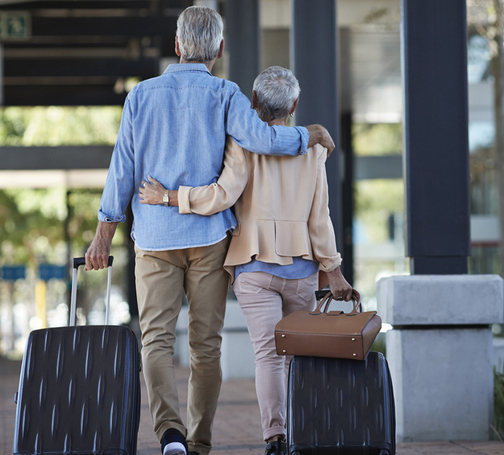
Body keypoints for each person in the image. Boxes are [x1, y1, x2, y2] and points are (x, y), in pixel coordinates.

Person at [83, 7, 336, 455]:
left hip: (156, 239)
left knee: (156, 340)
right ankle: (199, 443)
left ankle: (171, 435)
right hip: (209, 240)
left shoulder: (140, 96)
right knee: (205, 345)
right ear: (219, 50)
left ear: (177, 46)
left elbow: (121, 169)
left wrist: (103, 235)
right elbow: (262, 139)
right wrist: (308, 135)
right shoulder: (226, 93)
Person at [139, 66, 353, 455]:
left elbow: (221, 196)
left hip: (254, 266)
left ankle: (275, 437)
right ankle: (298, 433)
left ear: (252, 102)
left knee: (268, 355)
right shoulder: (313, 149)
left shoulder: (242, 144)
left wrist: (171, 197)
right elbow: (319, 218)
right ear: (295, 106)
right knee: (295, 357)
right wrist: (332, 269)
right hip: (303, 266)